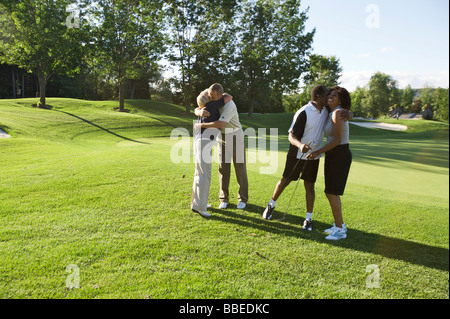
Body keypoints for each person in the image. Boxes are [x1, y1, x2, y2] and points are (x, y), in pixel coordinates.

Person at [261, 85, 330, 231]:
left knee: (309, 186)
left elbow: (341, 110)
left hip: (313, 156)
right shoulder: (303, 112)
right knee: (285, 181)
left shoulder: (326, 109)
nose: (328, 98)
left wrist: (348, 114)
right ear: (318, 96)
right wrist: (300, 145)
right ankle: (271, 205)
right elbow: (291, 135)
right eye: (326, 95)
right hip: (296, 154)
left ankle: (308, 219)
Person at [307, 86, 352, 240]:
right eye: (329, 95)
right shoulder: (332, 111)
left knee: (332, 192)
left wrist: (318, 151)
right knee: (330, 192)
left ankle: (340, 229)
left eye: (334, 95)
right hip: (333, 154)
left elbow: (338, 139)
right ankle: (339, 225)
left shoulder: (338, 113)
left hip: (340, 153)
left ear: (341, 99)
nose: (330, 97)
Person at [195, 83, 248, 210]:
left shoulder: (228, 104)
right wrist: (199, 111)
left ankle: (243, 198)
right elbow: (198, 107)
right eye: (210, 96)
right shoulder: (214, 100)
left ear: (220, 95)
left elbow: (220, 123)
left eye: (213, 96)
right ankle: (224, 198)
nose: (211, 98)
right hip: (222, 136)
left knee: (239, 168)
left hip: (235, 135)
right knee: (223, 168)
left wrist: (201, 126)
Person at [191, 89, 233, 217]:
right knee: (205, 175)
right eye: (207, 94)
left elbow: (196, 109)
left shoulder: (204, 107)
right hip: (203, 144)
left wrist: (198, 110)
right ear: (208, 98)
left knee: (199, 174)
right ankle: (201, 207)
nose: (209, 94)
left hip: (199, 142)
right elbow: (229, 96)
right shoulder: (213, 105)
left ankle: (196, 203)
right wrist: (217, 97)